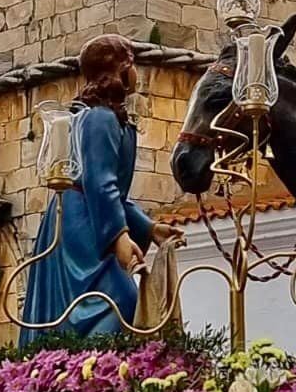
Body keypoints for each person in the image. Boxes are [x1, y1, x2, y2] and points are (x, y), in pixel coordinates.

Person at [20, 35, 179, 343]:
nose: (136, 72)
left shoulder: (107, 118)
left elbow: (113, 192)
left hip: (90, 214)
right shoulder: (100, 118)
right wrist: (119, 238)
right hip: (83, 222)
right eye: (132, 64)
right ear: (121, 69)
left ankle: (86, 360)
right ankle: (88, 363)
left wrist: (149, 228)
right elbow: (99, 182)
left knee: (109, 301)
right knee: (118, 299)